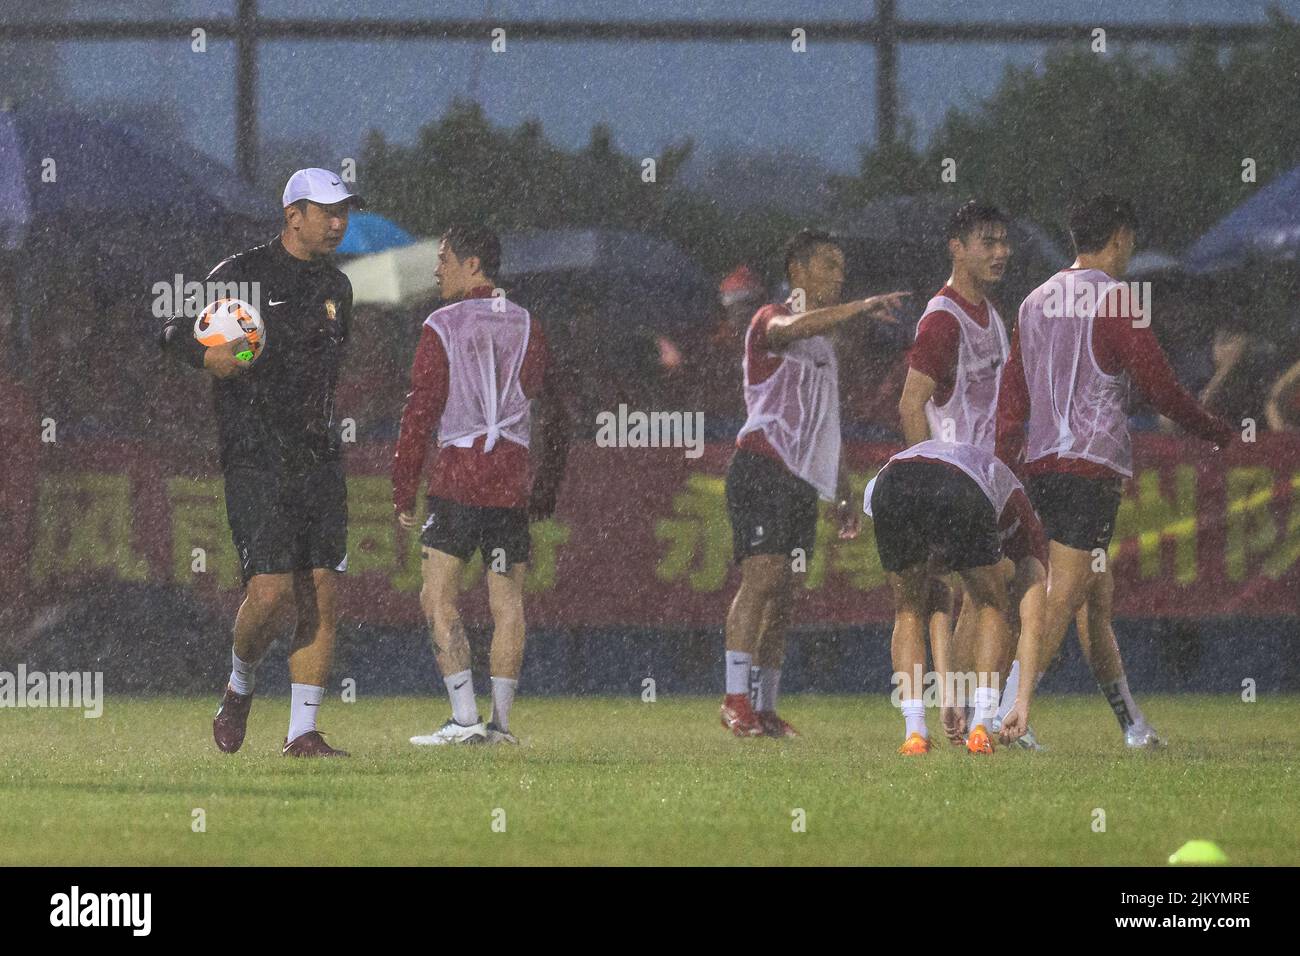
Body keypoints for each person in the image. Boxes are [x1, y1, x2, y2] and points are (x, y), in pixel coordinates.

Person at [996, 194, 1235, 749]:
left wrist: (1005, 465)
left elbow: (1013, 395)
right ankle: (1010, 714)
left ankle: (1133, 726)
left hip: (1040, 466)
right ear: (1121, 237)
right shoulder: (1117, 299)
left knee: (1092, 600)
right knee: (1065, 593)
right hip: (1089, 466)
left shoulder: (1034, 301)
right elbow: (1157, 384)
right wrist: (1213, 430)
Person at [159, 167, 360, 757]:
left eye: (343, 211)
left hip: (319, 458)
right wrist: (206, 357)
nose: (338, 222)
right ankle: (239, 685)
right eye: (327, 211)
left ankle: (302, 732)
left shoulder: (338, 289)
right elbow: (171, 330)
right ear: (293, 215)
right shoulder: (239, 274)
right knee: (270, 595)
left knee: (320, 588)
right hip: (256, 459)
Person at [720, 228, 907, 737]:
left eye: (841, 266)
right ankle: (734, 699)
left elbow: (827, 423)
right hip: (760, 467)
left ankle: (764, 707)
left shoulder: (824, 344)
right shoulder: (768, 319)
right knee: (760, 580)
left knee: (784, 594)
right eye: (827, 264)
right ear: (797, 271)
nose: (838, 274)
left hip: (801, 480)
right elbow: (786, 329)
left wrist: (842, 490)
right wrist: (862, 306)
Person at [393, 225, 569, 746]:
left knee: (436, 595)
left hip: (457, 485)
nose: (436, 269)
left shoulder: (442, 324)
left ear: (473, 265)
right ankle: (503, 726)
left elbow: (419, 411)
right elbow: (555, 410)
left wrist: (404, 486)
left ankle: (465, 717)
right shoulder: (527, 323)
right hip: (509, 488)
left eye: (445, 258)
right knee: (507, 602)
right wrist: (547, 484)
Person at [895, 201, 1037, 747]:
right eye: (987, 241)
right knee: (987, 592)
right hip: (951, 479)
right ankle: (977, 716)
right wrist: (926, 480)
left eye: (1004, 240)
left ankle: (957, 712)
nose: (1001, 251)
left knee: (962, 597)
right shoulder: (942, 318)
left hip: (982, 479)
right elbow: (911, 405)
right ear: (956, 247)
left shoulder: (991, 314)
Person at [865, 439, 1046, 755]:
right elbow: (1032, 622)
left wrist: (948, 695)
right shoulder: (1025, 529)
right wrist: (1021, 702)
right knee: (992, 605)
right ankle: (982, 726)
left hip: (890, 483)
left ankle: (915, 732)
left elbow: (936, 597)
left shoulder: (994, 502)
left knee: (907, 610)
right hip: (958, 485)